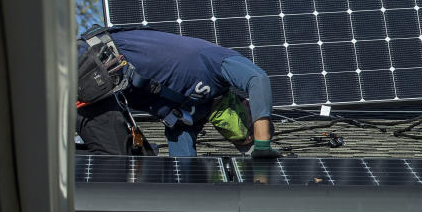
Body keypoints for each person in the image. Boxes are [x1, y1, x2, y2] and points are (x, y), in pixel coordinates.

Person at [75, 26, 277, 158]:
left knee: (137, 167)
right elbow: (257, 79)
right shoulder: (215, 66)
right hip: (89, 64)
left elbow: (181, 168)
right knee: (121, 165)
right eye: (250, 130)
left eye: (241, 140)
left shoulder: (189, 115)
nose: (243, 136)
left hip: (94, 97)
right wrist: (261, 144)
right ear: (247, 104)